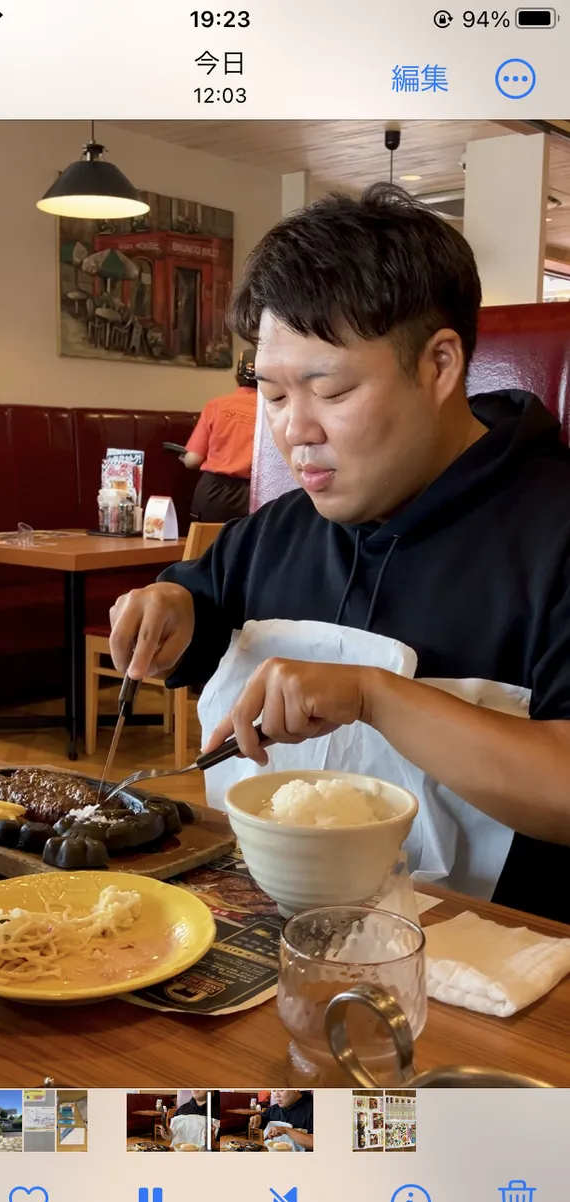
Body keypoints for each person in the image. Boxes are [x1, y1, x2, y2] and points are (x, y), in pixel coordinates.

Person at [109, 185, 570, 924]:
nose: (296, 431)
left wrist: (374, 696)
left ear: (440, 364)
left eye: (328, 388)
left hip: (494, 977)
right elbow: (201, 609)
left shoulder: (553, 531)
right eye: (274, 394)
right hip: (263, 931)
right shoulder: (281, 527)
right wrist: (171, 607)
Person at [181, 349, 258, 522]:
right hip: (253, 495)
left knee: (206, 547)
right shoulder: (271, 411)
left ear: (237, 375)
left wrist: (184, 457)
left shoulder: (216, 405)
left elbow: (193, 460)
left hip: (213, 493)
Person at [249, 1089, 314, 1151]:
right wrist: (257, 1118)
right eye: (274, 1090)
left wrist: (286, 1130)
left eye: (281, 1090)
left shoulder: (313, 1107)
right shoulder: (274, 1109)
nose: (276, 1095)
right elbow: (263, 1118)